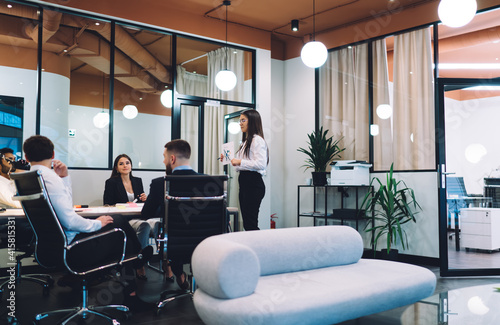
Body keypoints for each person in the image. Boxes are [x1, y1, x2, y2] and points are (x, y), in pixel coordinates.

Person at [22, 135, 153, 311]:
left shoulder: (29, 178)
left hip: (51, 247)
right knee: (120, 228)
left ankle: (129, 265)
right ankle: (135, 271)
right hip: (73, 248)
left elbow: (63, 212)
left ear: (26, 157)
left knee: (118, 227)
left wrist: (64, 178)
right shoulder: (49, 178)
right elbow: (70, 220)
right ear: (53, 154)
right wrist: (97, 224)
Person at [141, 139, 197, 290]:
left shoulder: (161, 183)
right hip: (204, 243)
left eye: (164, 156)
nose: (163, 160)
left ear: (172, 159)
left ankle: (179, 273)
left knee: (169, 230)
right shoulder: (209, 181)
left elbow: (146, 214)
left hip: (174, 242)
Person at [103, 154, 157, 280]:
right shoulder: (111, 182)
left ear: (131, 166)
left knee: (152, 223)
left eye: (127, 163)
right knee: (145, 225)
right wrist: (123, 205)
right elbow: (107, 204)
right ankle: (139, 260)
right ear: (116, 168)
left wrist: (145, 199)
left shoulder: (137, 181)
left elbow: (141, 205)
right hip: (124, 220)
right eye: (121, 164)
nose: (125, 166)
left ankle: (139, 259)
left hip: (138, 217)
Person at [229, 109, 268, 231]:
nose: (240, 123)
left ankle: (259, 248)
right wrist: (232, 160)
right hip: (245, 182)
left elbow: (261, 164)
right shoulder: (246, 141)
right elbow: (244, 165)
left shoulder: (257, 140)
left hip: (253, 184)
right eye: (240, 120)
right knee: (247, 223)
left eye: (243, 120)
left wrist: (239, 161)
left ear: (252, 121)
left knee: (250, 224)